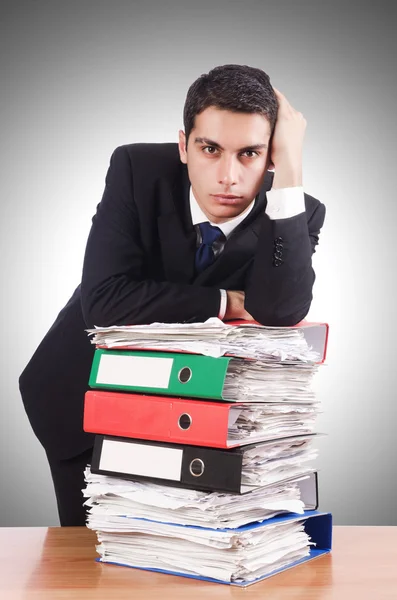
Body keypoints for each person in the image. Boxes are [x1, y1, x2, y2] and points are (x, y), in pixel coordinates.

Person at [19, 64, 326, 526]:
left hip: (192, 418)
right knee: (96, 564)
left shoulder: (294, 213)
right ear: (184, 146)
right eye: (210, 149)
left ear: (271, 158)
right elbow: (104, 302)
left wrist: (292, 172)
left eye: (249, 154)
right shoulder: (137, 171)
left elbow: (280, 310)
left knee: (187, 558)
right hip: (82, 403)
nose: (228, 176)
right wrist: (228, 301)